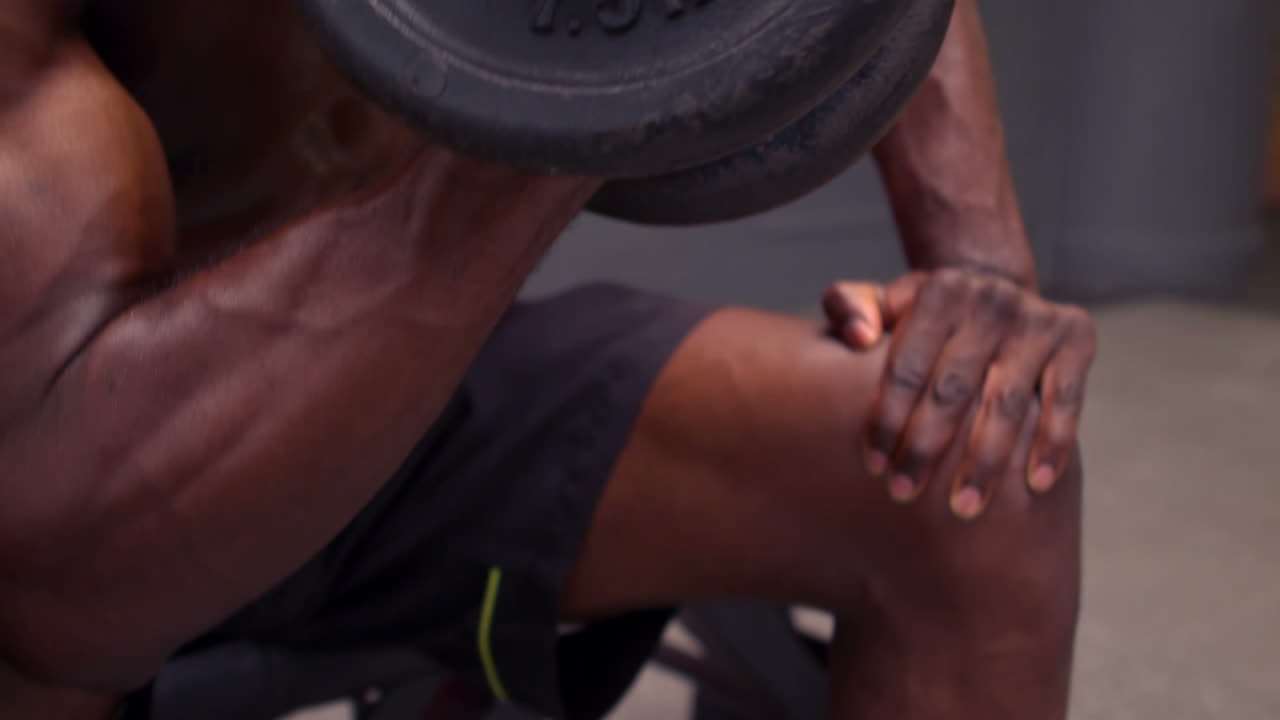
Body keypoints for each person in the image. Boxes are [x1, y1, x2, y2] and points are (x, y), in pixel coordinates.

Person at [0, 1, 1096, 718]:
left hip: (400, 391)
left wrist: (981, 278)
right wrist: (593, 80)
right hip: (90, 471)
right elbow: (70, 596)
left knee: (973, 460)